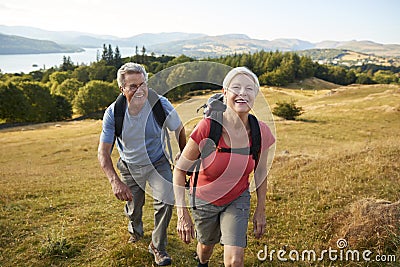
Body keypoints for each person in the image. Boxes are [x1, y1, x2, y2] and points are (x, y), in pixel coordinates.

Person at [173, 67, 275, 267]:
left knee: (235, 261)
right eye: (236, 87)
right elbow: (179, 169)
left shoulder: (260, 131)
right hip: (204, 199)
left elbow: (261, 171)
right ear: (225, 92)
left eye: (249, 89)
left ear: (256, 94)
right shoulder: (208, 127)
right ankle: (203, 262)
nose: (242, 93)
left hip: (237, 197)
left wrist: (261, 209)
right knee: (205, 249)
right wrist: (182, 213)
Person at [98, 62, 186, 266]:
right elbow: (103, 152)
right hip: (129, 165)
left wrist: (184, 155)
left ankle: (157, 246)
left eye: (143, 84)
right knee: (134, 206)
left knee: (166, 200)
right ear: (122, 89)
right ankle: (135, 230)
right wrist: (114, 181)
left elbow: (179, 129)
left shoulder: (160, 104)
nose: (140, 90)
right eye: (133, 86)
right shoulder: (114, 113)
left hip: (157, 161)